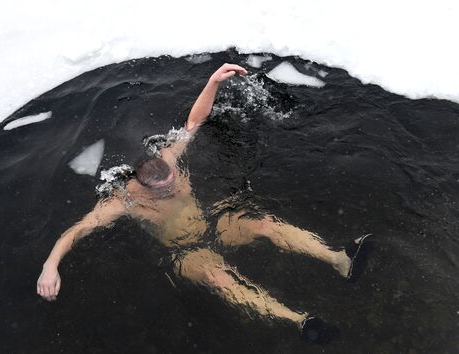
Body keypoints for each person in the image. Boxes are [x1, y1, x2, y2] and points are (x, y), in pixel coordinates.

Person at [37, 63, 372, 343]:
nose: (172, 189)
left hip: (214, 223)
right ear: (143, 186)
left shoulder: (169, 157)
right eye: (164, 190)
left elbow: (193, 122)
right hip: (184, 252)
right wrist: (50, 265)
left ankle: (340, 259)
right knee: (218, 277)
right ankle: (299, 321)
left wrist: (212, 81)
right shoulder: (123, 200)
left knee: (263, 222)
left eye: (173, 182)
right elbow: (76, 231)